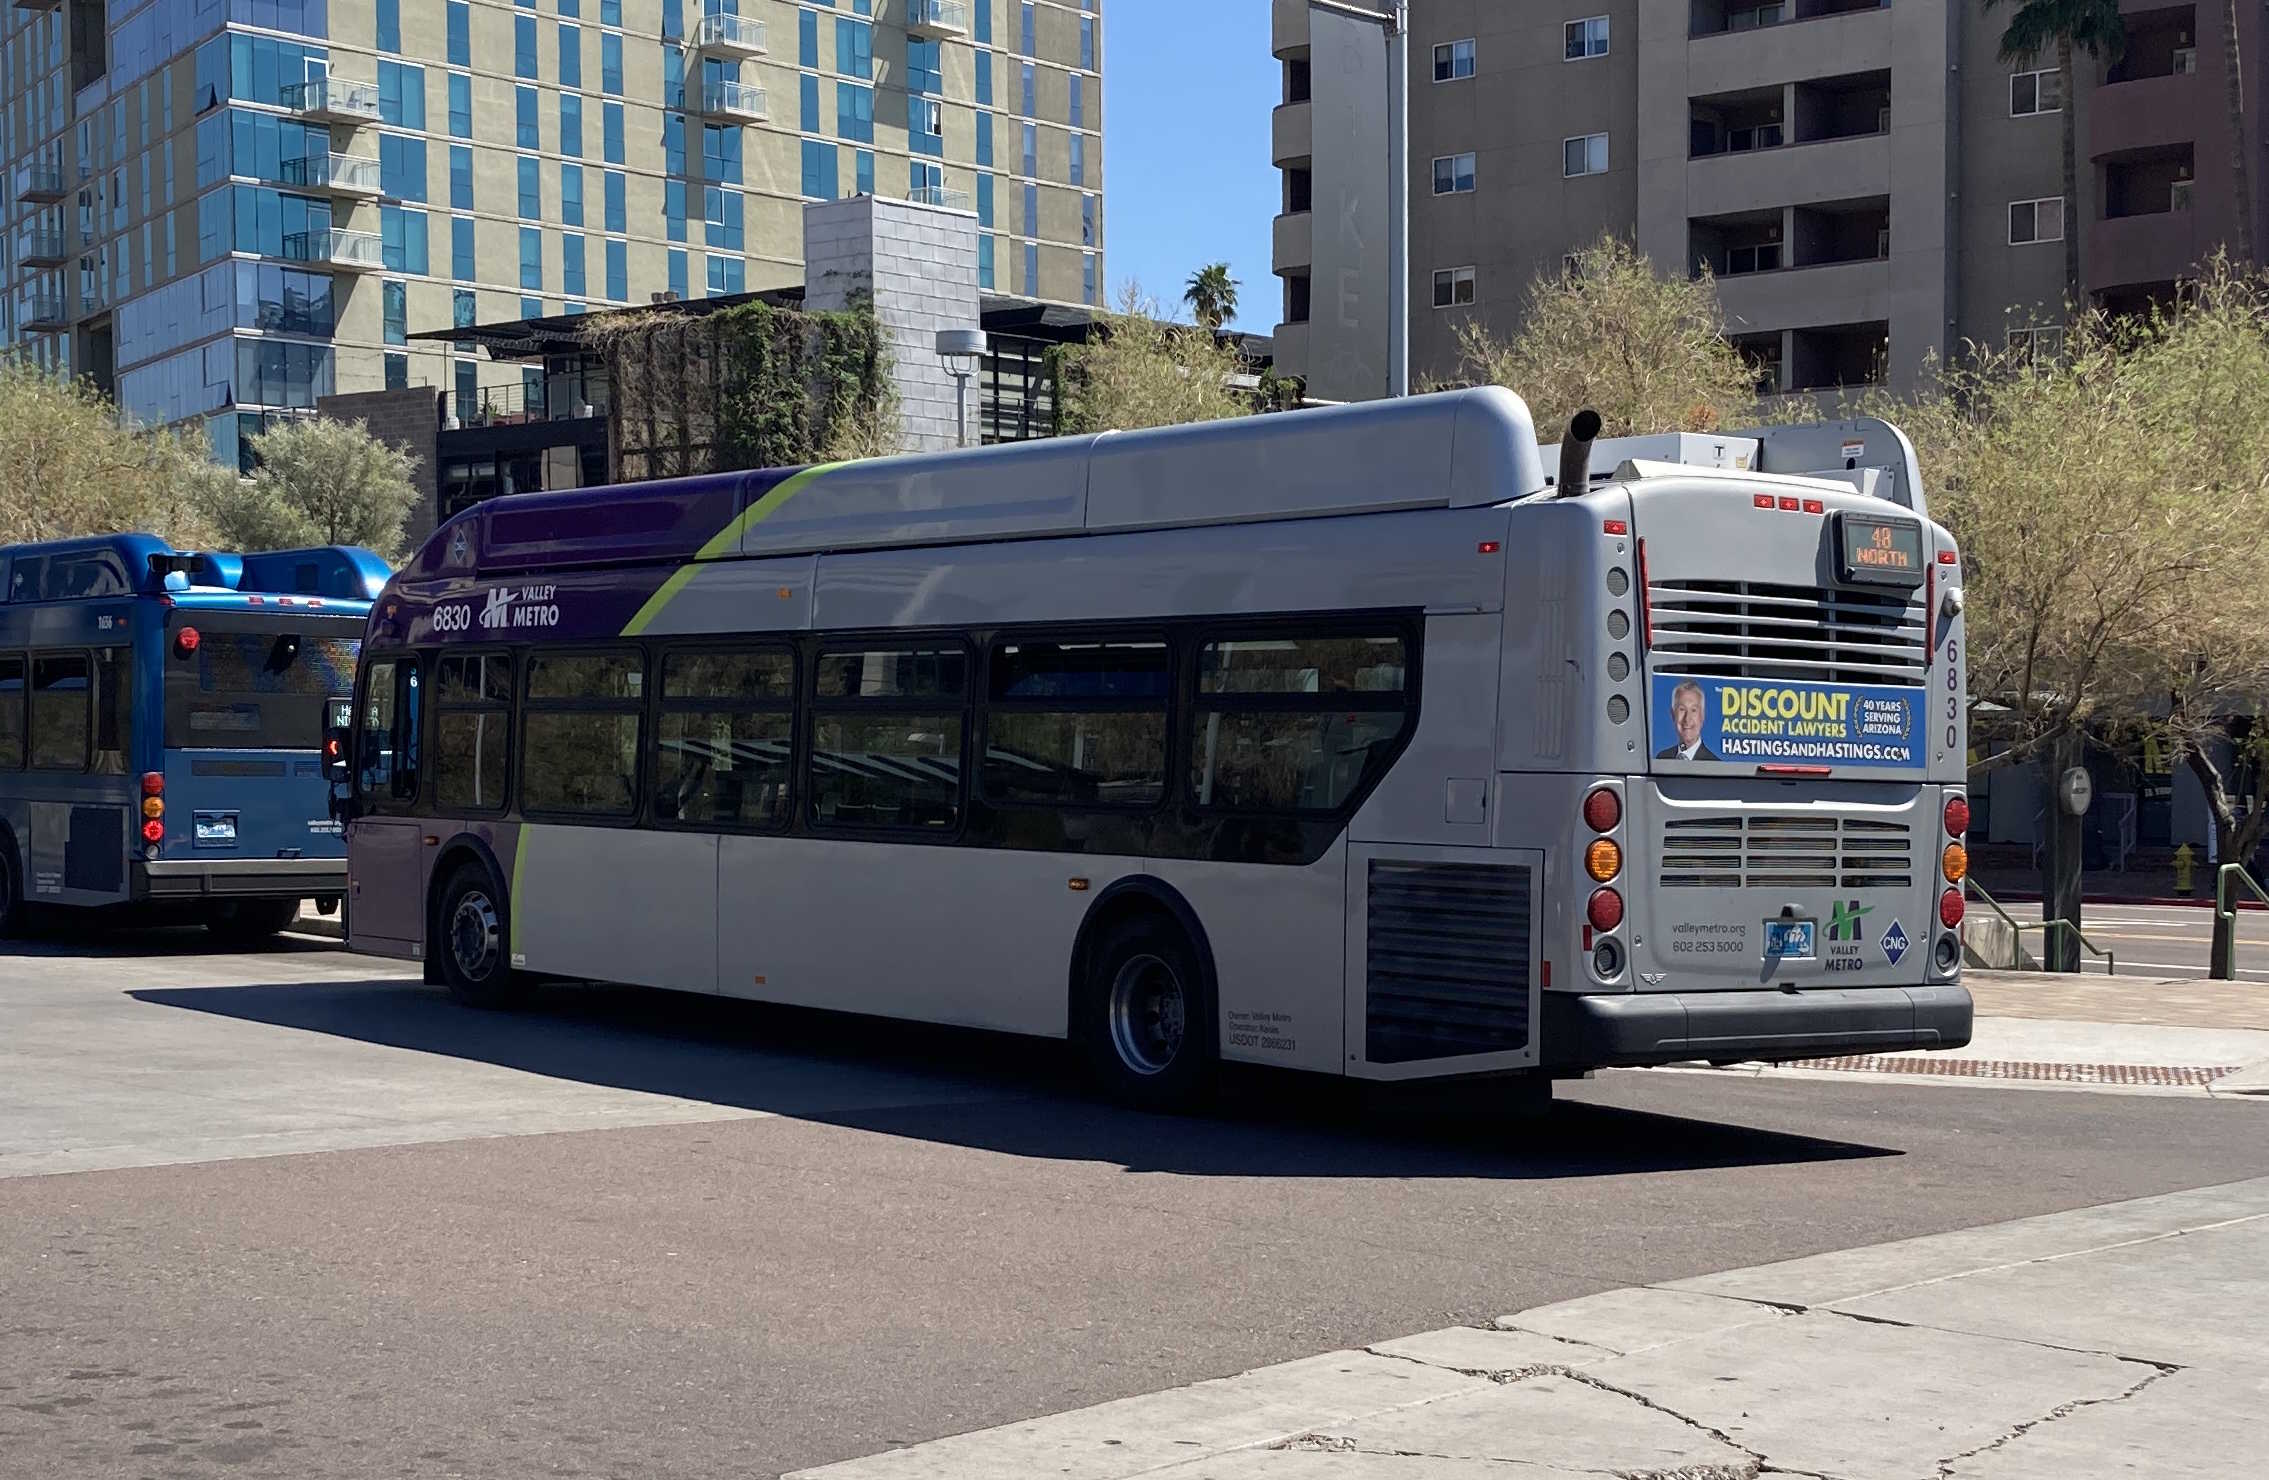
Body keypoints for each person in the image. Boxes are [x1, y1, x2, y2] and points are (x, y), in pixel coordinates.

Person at [1657, 680, 1718, 762]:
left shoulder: (1715, 764)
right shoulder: (1661, 758)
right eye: (1682, 709)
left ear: (1702, 716)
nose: (1687, 719)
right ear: (1673, 715)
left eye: (1693, 710)